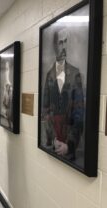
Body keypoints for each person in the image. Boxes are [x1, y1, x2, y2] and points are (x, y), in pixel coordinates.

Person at [42, 28, 84, 160]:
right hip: (53, 145)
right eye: (60, 42)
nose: (64, 46)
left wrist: (69, 144)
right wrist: (54, 139)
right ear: (55, 46)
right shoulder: (49, 75)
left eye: (65, 41)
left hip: (70, 146)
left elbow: (79, 112)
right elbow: (45, 110)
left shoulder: (75, 73)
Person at [2, 61, 13, 129]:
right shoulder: (5, 89)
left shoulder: (10, 87)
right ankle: (9, 125)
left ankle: (10, 125)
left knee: (9, 115)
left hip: (10, 105)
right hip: (7, 105)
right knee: (7, 115)